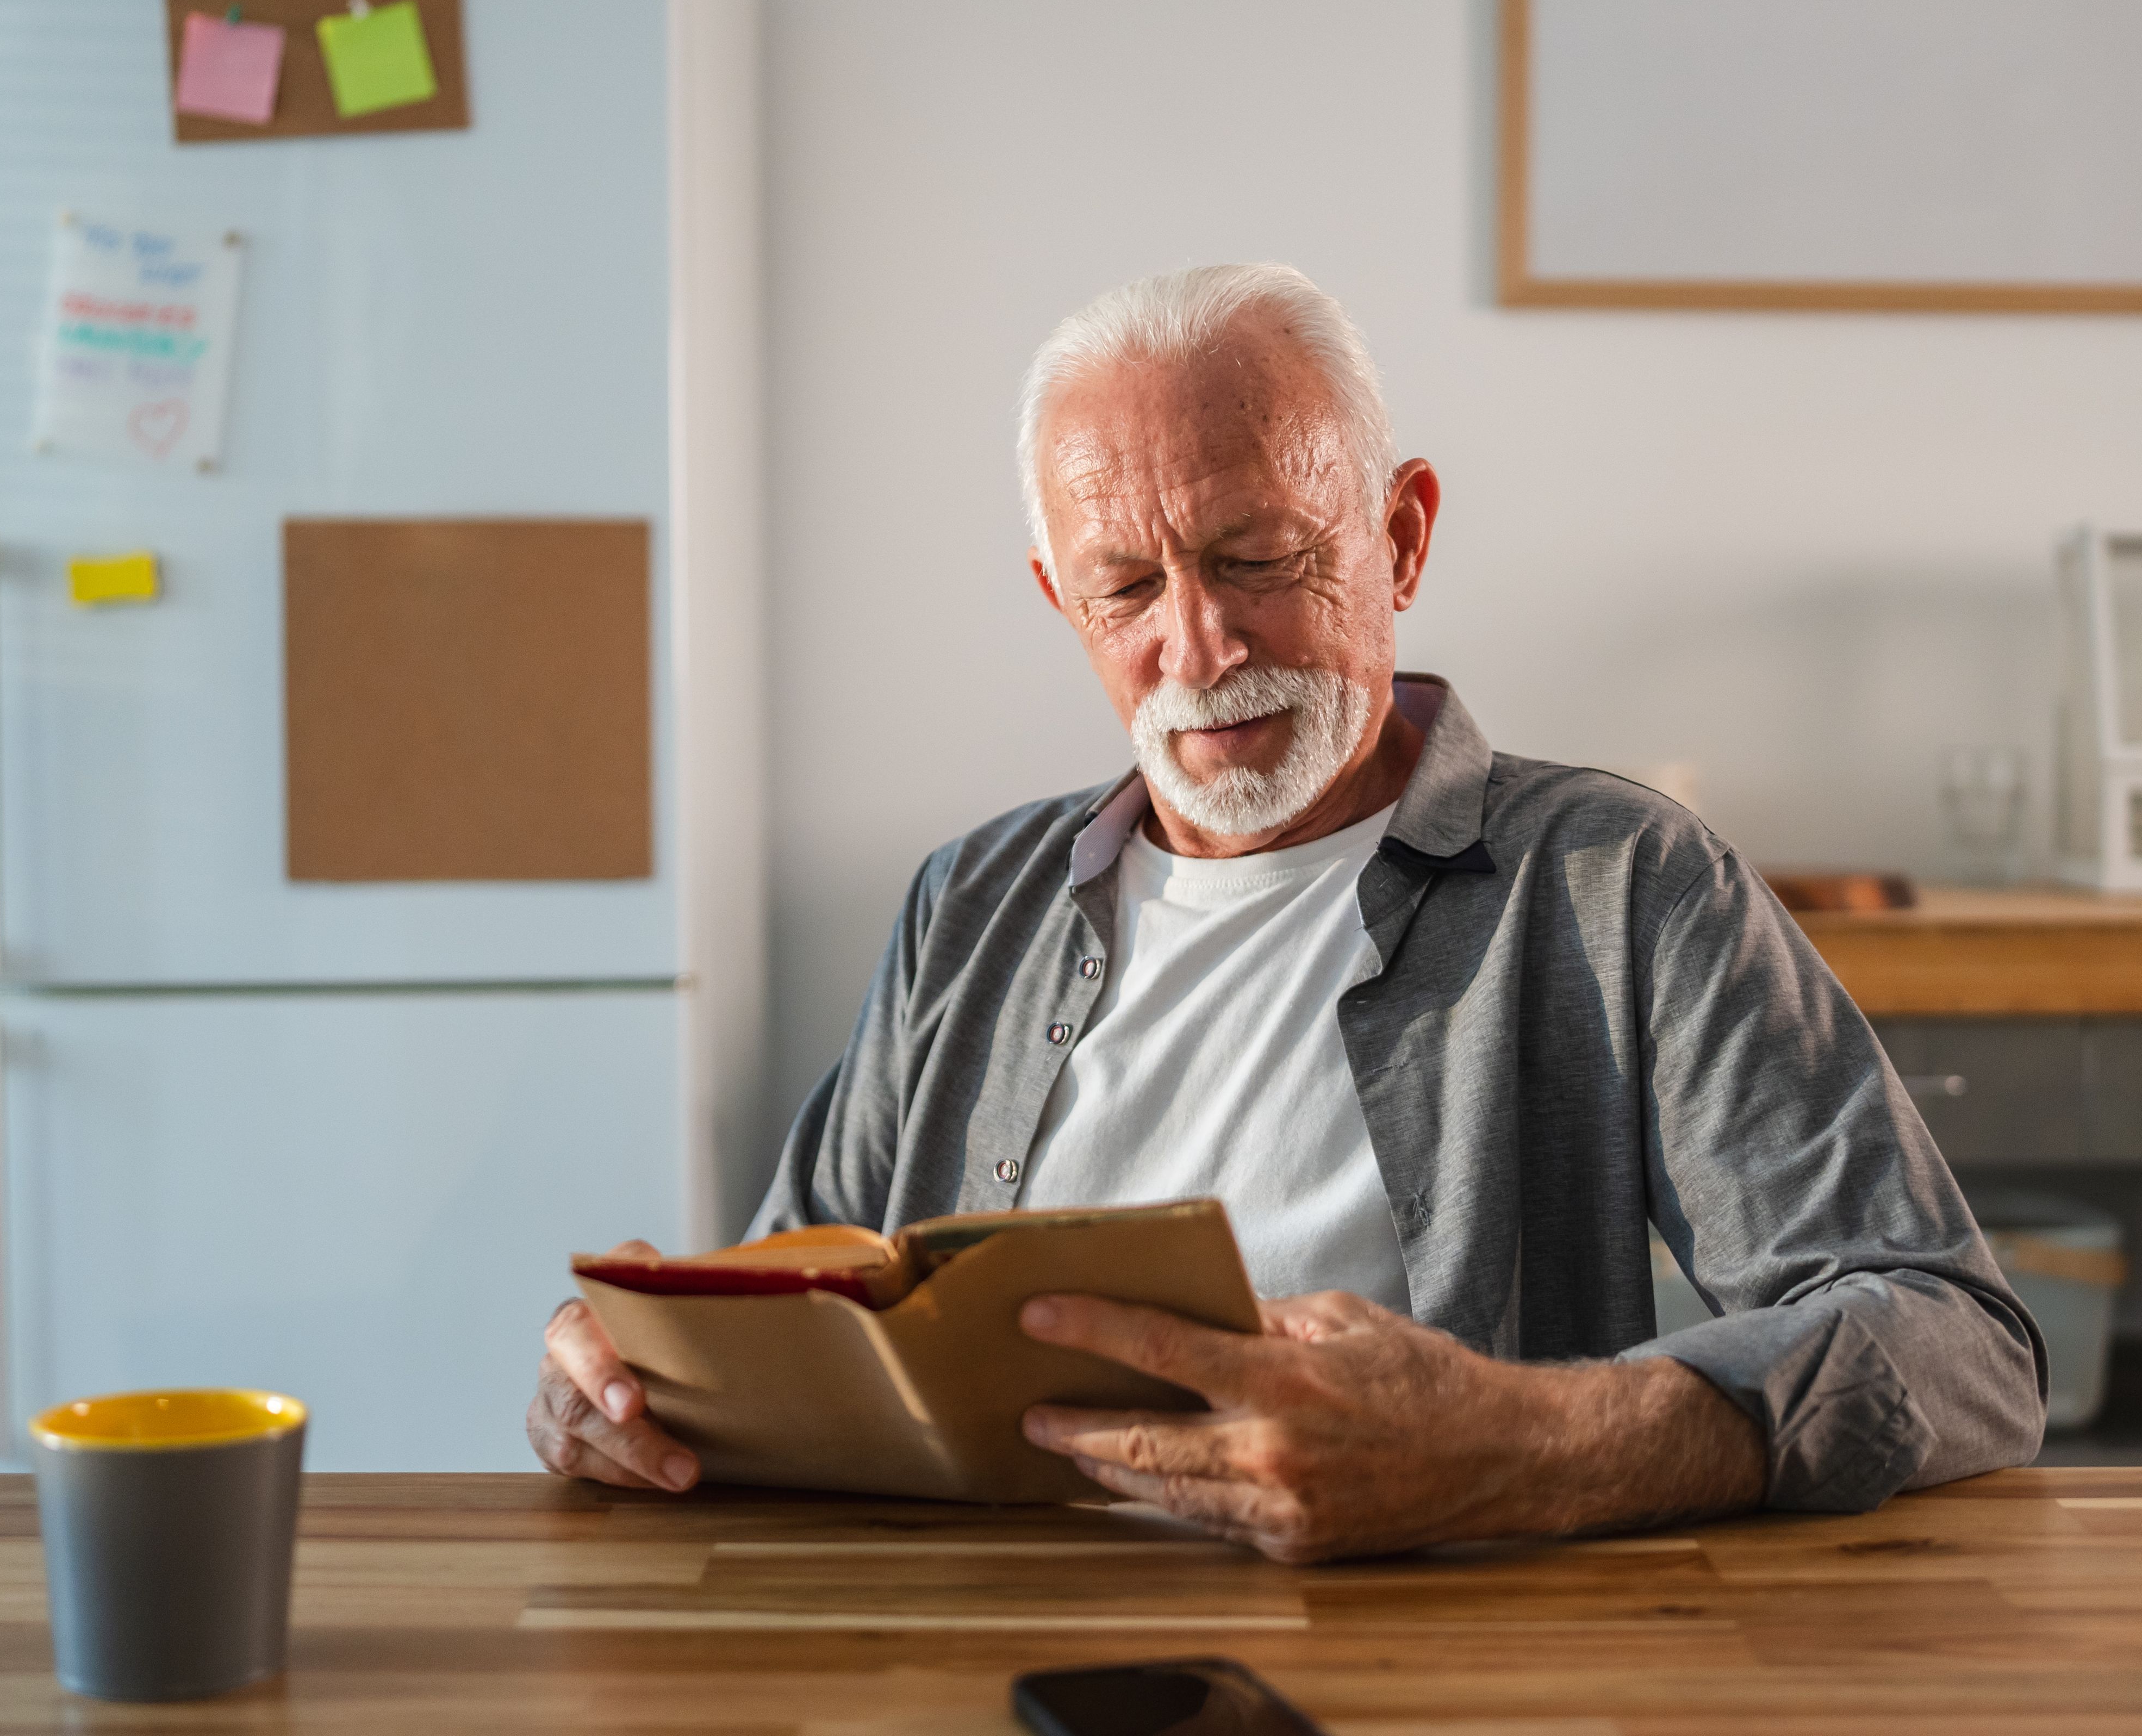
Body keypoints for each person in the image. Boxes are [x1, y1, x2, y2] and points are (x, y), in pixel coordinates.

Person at [529, 263, 2044, 1559]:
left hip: (1449, 1678)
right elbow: (794, 1312)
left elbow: (1956, 1346)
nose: (1198, 645)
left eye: (1259, 560)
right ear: (1059, 601)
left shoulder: (1621, 882)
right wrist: (635, 1389)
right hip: (965, 1668)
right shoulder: (972, 904)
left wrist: (1533, 1445)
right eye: (1125, 589)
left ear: (1400, 538)